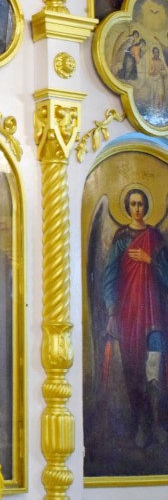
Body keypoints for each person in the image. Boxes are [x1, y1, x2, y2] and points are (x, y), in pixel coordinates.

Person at [103, 188, 168, 447]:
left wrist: (151, 260)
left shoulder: (156, 238)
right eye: (133, 204)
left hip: (154, 313)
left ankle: (155, 422)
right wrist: (111, 311)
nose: (137, 208)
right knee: (134, 368)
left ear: (147, 207)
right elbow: (109, 277)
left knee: (155, 367)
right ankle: (140, 421)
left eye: (141, 204)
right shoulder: (121, 239)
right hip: (129, 314)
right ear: (128, 207)